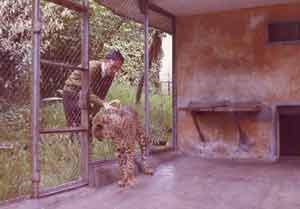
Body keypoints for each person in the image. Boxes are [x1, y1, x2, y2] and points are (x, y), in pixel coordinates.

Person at [62, 49, 124, 127]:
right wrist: (105, 104)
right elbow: (88, 93)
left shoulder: (110, 75)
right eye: (113, 67)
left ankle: (84, 137)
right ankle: (74, 137)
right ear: (106, 61)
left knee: (89, 126)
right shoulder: (92, 67)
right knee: (75, 126)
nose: (115, 71)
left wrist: (93, 114)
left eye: (118, 69)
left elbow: (101, 95)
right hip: (71, 92)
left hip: (84, 95)